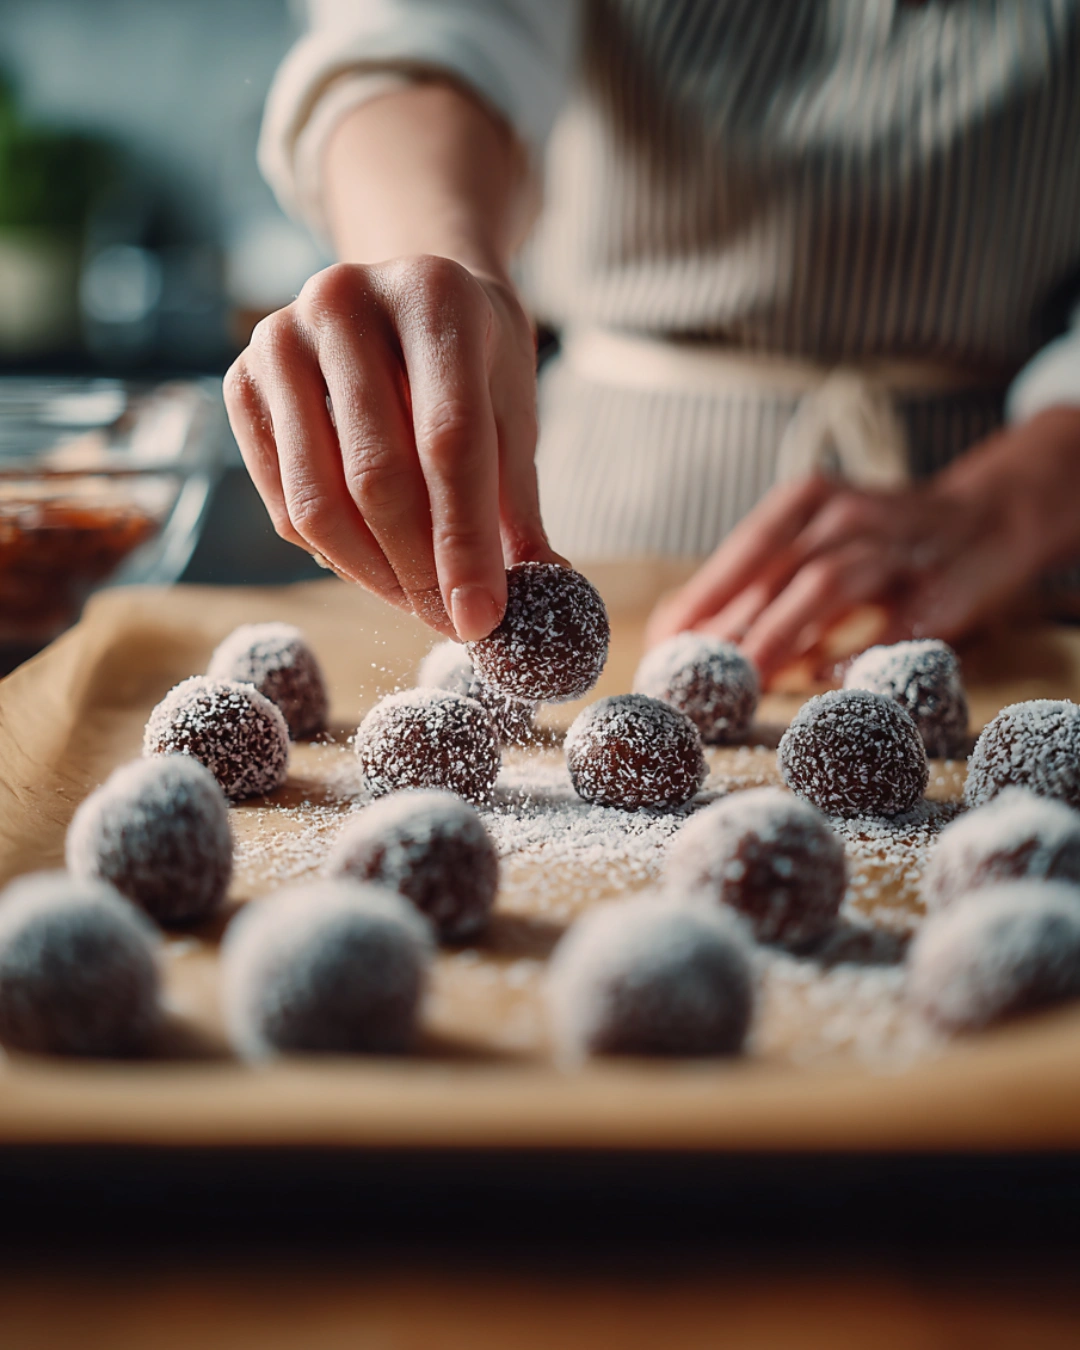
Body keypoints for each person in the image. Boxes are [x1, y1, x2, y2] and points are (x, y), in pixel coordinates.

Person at [226, 0, 1080, 684]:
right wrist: (430, 266)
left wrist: (1022, 495)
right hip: (608, 495)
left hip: (1023, 552)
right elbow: (417, 39)